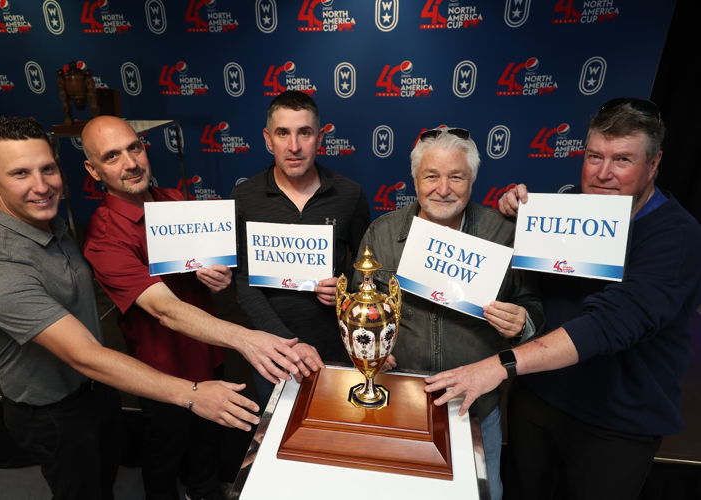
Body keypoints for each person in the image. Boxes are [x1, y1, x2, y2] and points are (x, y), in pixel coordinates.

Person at [0, 117, 261, 500]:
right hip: (55, 409)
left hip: (101, 392)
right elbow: (93, 349)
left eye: (47, 169)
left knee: (112, 479)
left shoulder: (53, 229)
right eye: (20, 173)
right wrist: (214, 373)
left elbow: (199, 268)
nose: (41, 186)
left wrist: (216, 274)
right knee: (102, 481)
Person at [425, 98, 701, 500]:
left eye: (622, 160)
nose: (603, 174)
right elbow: (532, 291)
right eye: (594, 156)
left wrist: (499, 365)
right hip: (539, 403)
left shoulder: (676, 237)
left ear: (653, 165)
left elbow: (608, 324)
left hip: (616, 424)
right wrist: (515, 219)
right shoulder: (563, 207)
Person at [80, 115, 324, 500]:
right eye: (112, 157)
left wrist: (217, 274)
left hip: (208, 354)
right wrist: (247, 339)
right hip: (163, 372)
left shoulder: (175, 200)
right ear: (93, 170)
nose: (130, 163)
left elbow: (205, 269)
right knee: (165, 455)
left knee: (206, 449)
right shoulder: (104, 235)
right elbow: (165, 310)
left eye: (134, 148)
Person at [351, 126, 543, 500]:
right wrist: (369, 347)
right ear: (415, 179)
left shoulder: (501, 233)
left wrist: (523, 323)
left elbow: (533, 304)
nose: (443, 189)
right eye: (432, 176)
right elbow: (359, 301)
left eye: (456, 176)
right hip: (398, 402)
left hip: (474, 408)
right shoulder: (383, 232)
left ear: (472, 179)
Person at [231, 90, 370, 403]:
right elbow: (243, 283)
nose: (294, 146)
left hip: (337, 351)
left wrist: (347, 290)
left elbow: (366, 269)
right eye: (283, 133)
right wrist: (285, 343)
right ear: (268, 139)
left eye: (304, 133)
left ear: (319, 138)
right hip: (273, 355)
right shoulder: (244, 197)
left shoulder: (349, 194)